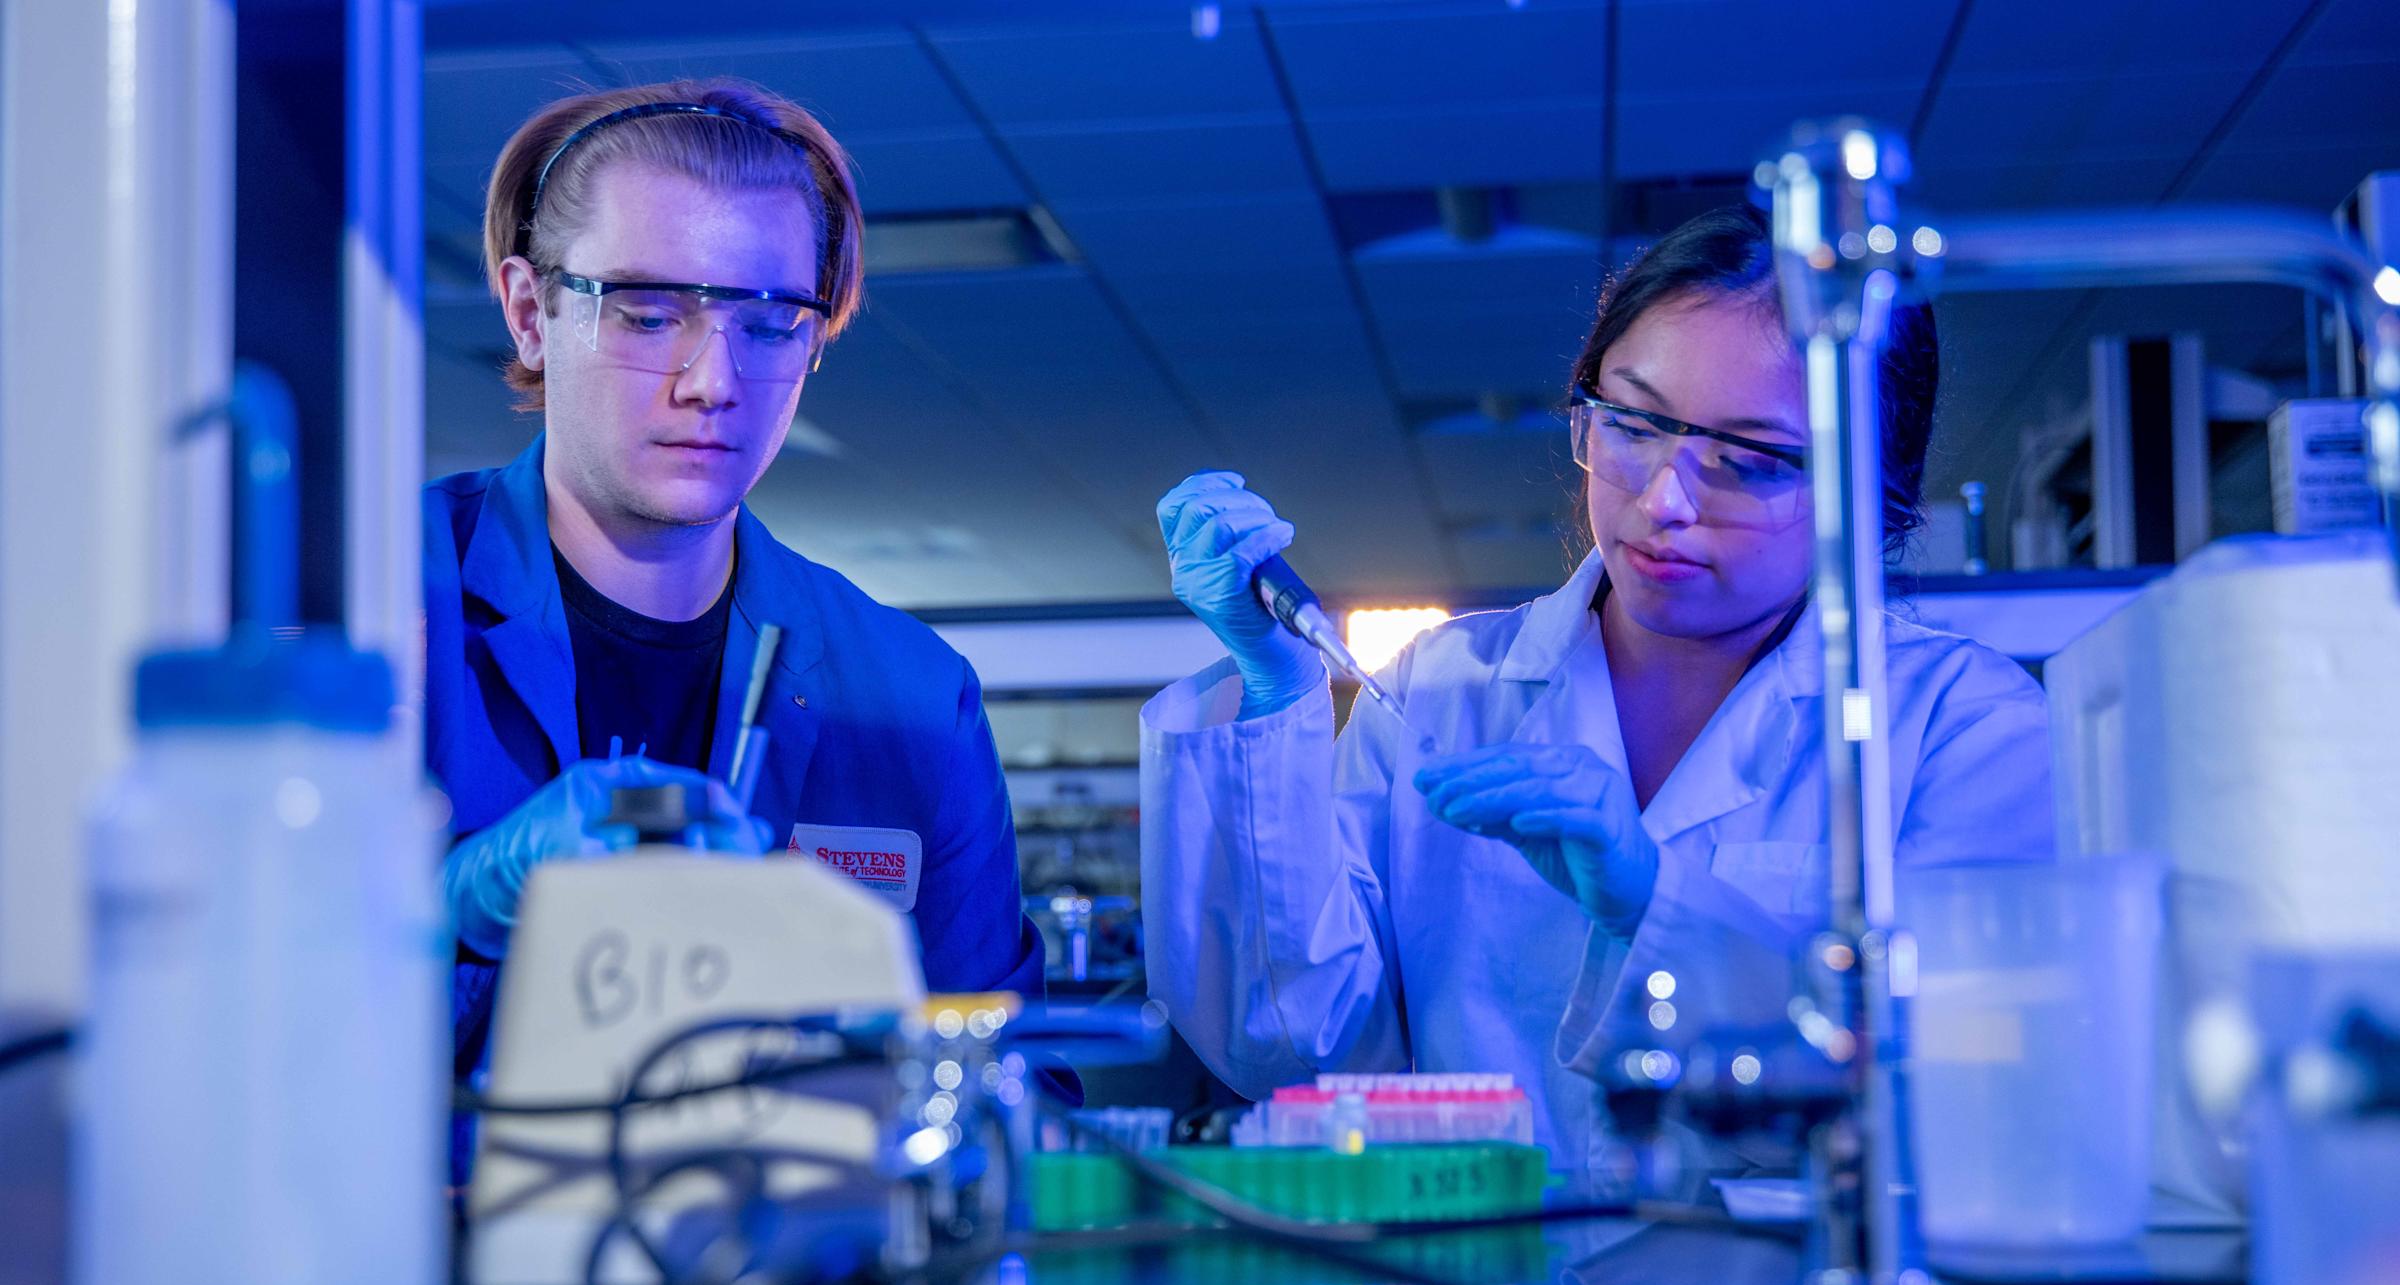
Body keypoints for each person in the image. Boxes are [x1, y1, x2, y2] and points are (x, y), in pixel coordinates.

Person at [1140, 204, 2051, 1189]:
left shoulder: (1960, 726)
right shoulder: (1443, 687)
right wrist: (1276, 692)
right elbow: (1296, 1054)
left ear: (1872, 493)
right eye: (1633, 424)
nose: (1664, 501)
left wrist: (1655, 905)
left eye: (1748, 461)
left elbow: (1969, 1103)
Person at [425, 80, 1044, 1078]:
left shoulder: (911, 698)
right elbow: (226, 1013)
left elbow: (1007, 1087)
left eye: (768, 324)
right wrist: (447, 911)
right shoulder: (366, 609)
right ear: (532, 314)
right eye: (645, 313)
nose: (712, 380)